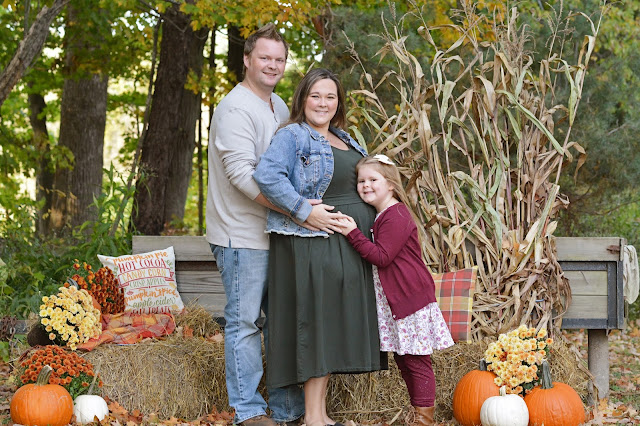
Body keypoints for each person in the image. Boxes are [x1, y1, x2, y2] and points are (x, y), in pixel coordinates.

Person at [253, 68, 386, 426]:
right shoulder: (293, 135)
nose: (323, 103)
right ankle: (313, 418)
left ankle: (321, 416)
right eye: (315, 96)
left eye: (330, 96)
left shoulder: (345, 138)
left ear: (339, 102)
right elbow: (266, 176)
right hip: (315, 243)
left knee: (330, 325)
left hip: (347, 244)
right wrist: (303, 210)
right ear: (302, 99)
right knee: (319, 324)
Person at [206, 23, 306, 426]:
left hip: (277, 233)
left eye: (279, 59)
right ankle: (247, 411)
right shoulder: (235, 108)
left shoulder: (278, 106)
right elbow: (243, 177)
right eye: (265, 57)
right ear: (247, 60)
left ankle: (287, 410)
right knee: (245, 323)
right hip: (241, 236)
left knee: (281, 323)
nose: (273, 65)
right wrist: (295, 210)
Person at [335, 154, 455, 426]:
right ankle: (417, 413)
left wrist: (353, 233)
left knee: (416, 361)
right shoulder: (382, 215)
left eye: (373, 179)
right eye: (361, 181)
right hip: (398, 300)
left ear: (390, 184)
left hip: (410, 298)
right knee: (404, 360)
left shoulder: (396, 214)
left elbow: (382, 256)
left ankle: (424, 420)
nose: (365, 185)